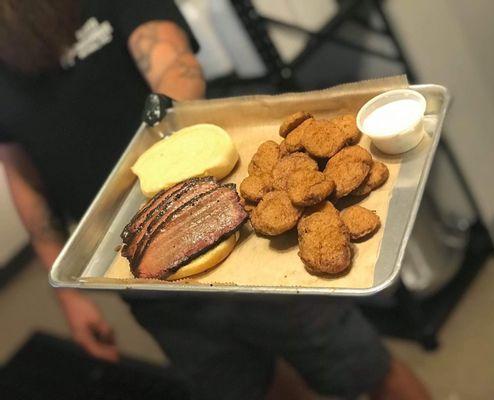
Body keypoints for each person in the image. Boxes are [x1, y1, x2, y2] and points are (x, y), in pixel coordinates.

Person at [0, 1, 430, 399]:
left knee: (363, 367)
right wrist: (69, 294)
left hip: (237, 238)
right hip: (144, 280)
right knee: (253, 390)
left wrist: (169, 119)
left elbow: (174, 62)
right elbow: (21, 175)